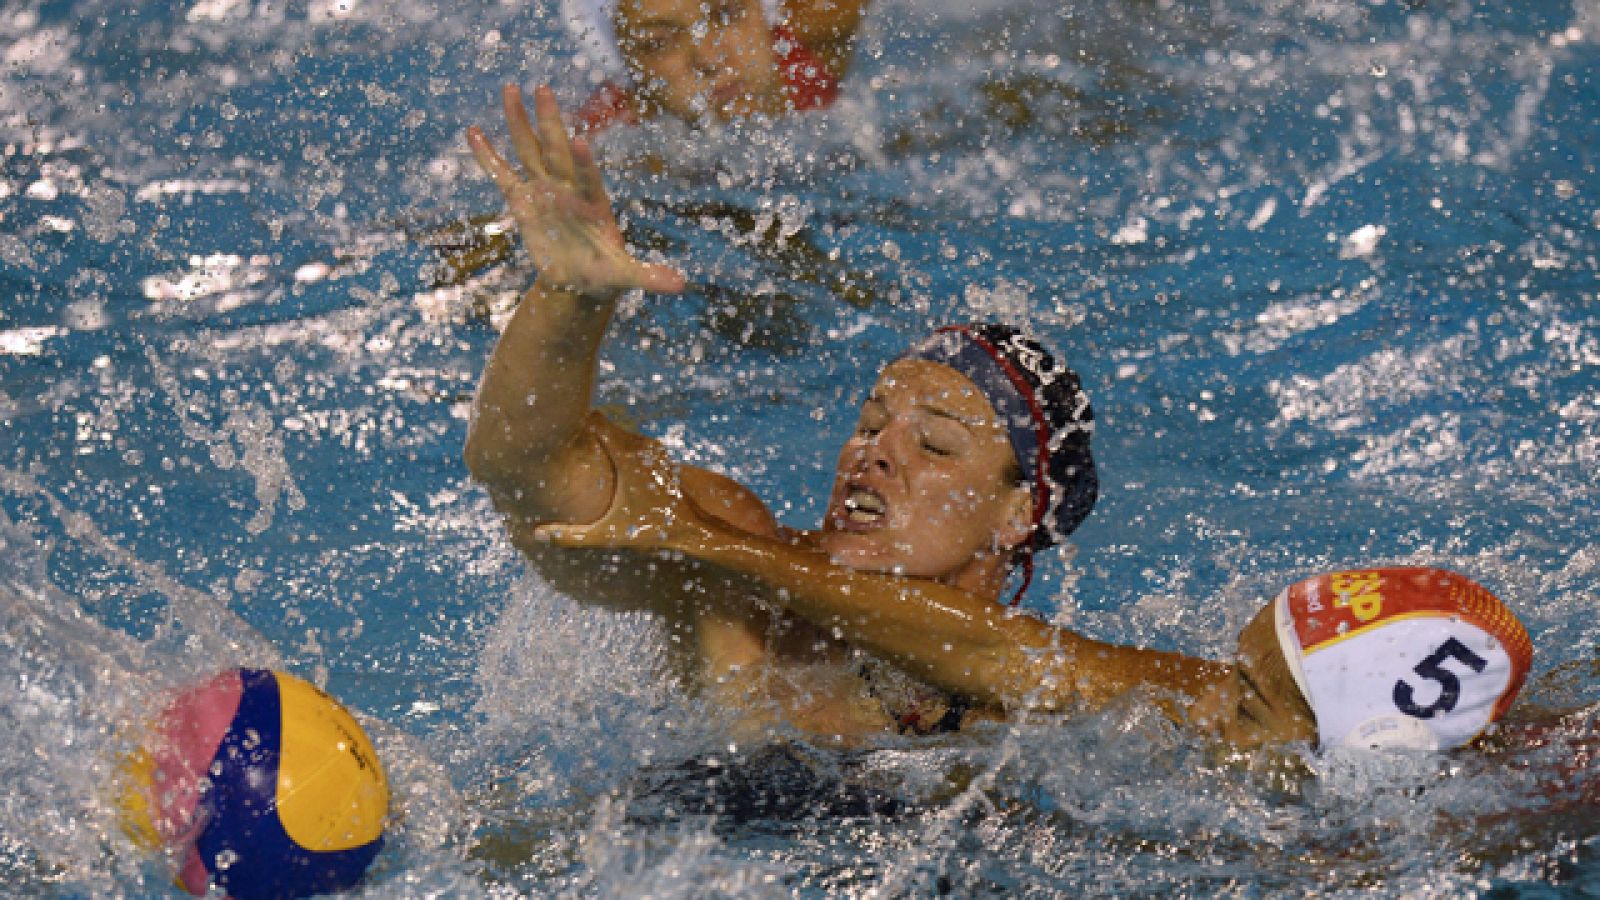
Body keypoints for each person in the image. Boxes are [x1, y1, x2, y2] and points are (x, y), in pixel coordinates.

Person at [463, 85, 1534, 754]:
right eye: (871, 421)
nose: (873, 450)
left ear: (1018, 515)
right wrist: (571, 299)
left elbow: (1010, 661)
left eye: (933, 444)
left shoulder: (1085, 690)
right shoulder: (735, 570)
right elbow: (524, 464)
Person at [560, 0, 869, 130]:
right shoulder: (606, 142)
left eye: (727, 12)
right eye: (659, 41)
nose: (709, 59)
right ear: (622, 59)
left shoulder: (818, 31)